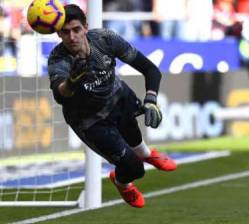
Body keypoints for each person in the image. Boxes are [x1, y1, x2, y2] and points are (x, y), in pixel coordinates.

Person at [47, 4, 177, 208]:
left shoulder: (105, 39)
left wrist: (151, 100)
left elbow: (151, 70)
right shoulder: (59, 59)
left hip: (118, 96)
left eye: (76, 30)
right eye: (65, 32)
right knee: (135, 169)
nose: (72, 37)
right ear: (58, 34)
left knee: (133, 132)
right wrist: (72, 81)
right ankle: (122, 182)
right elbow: (60, 95)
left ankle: (146, 154)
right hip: (89, 119)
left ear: (86, 28)